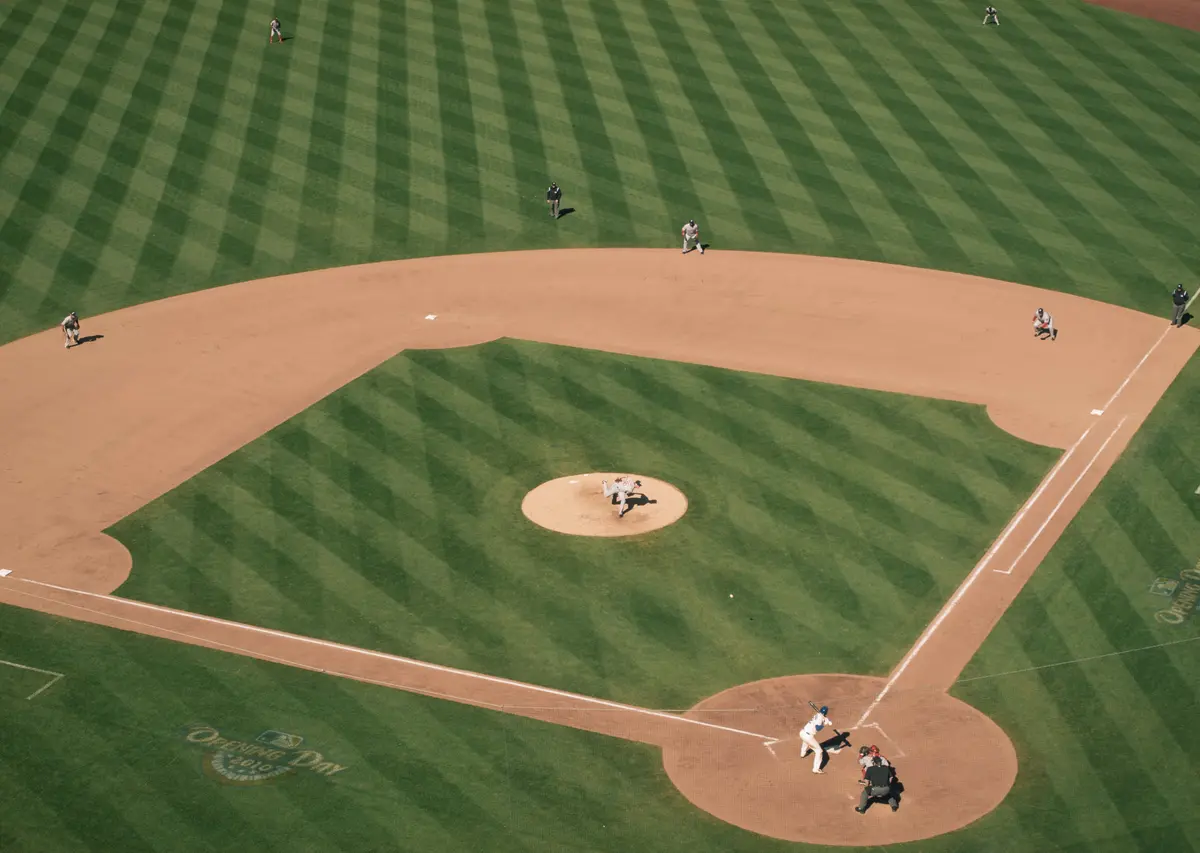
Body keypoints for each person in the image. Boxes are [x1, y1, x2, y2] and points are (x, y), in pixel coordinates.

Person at [798, 706, 834, 774]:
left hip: (802, 733)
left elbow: (821, 718)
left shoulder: (817, 715)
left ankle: (802, 753)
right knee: (819, 751)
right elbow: (818, 728)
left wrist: (825, 720)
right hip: (808, 736)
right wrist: (824, 724)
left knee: (805, 740)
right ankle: (816, 769)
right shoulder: (820, 718)